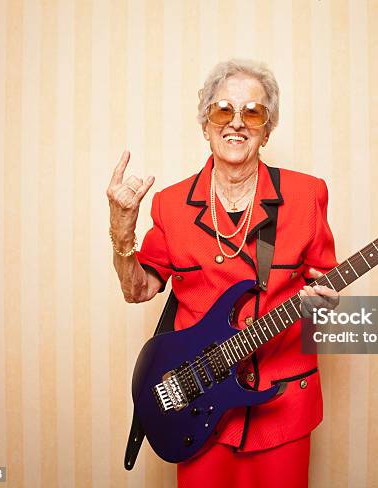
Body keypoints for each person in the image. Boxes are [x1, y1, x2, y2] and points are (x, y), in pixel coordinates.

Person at [107, 59, 338, 488]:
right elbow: (137, 290)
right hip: (197, 403)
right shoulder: (171, 204)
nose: (236, 123)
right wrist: (122, 228)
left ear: (267, 130)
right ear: (205, 124)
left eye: (252, 112)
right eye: (222, 111)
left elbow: (323, 291)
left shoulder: (307, 196)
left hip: (282, 407)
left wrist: (323, 310)